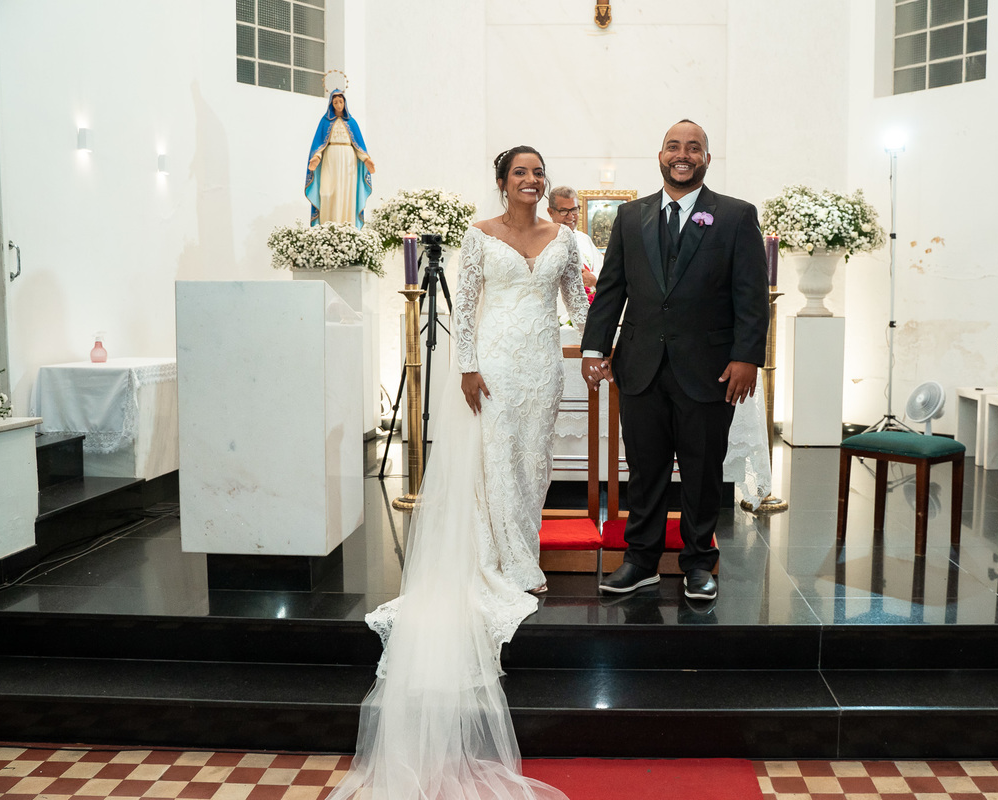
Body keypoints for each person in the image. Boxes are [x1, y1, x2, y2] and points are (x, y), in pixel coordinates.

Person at [325, 146, 588, 800]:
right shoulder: (478, 235)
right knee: (494, 460)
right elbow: (464, 306)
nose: (531, 180)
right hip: (494, 362)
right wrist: (467, 366)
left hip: (541, 367)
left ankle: (520, 549)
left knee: (534, 465)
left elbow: (576, 304)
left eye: (538, 172)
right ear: (503, 182)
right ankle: (501, 562)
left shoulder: (566, 238)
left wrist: (600, 349)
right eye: (520, 172)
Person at [580, 119, 770, 601]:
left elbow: (751, 295)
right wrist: (594, 346)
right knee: (644, 470)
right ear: (660, 155)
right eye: (673, 146)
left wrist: (748, 357)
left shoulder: (734, 215)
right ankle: (640, 560)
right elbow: (611, 289)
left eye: (693, 147)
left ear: (707, 158)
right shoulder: (630, 216)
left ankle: (698, 564)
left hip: (710, 369)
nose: (682, 154)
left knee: (703, 470)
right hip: (641, 366)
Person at [305, 88, 375, 228]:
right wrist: (316, 158)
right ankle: (327, 227)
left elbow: (358, 145)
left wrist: (366, 159)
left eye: (340, 101)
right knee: (326, 192)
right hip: (330, 159)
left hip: (349, 161)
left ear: (345, 103)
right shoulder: (324, 122)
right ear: (331, 104)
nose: (338, 105)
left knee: (347, 193)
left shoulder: (352, 122)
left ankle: (347, 228)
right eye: (335, 102)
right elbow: (319, 144)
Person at [546, 186, 601, 302]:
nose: (571, 216)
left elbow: (605, 271)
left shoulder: (584, 239)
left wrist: (594, 278)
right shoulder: (543, 241)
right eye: (564, 211)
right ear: (551, 212)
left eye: (574, 210)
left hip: (587, 308)